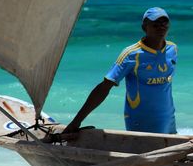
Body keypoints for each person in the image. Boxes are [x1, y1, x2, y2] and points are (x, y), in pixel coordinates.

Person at [61, 7, 178, 136]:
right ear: (145, 27)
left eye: (164, 23)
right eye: (155, 24)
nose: (161, 27)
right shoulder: (131, 55)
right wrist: (76, 122)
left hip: (168, 119)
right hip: (142, 121)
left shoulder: (172, 49)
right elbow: (104, 87)